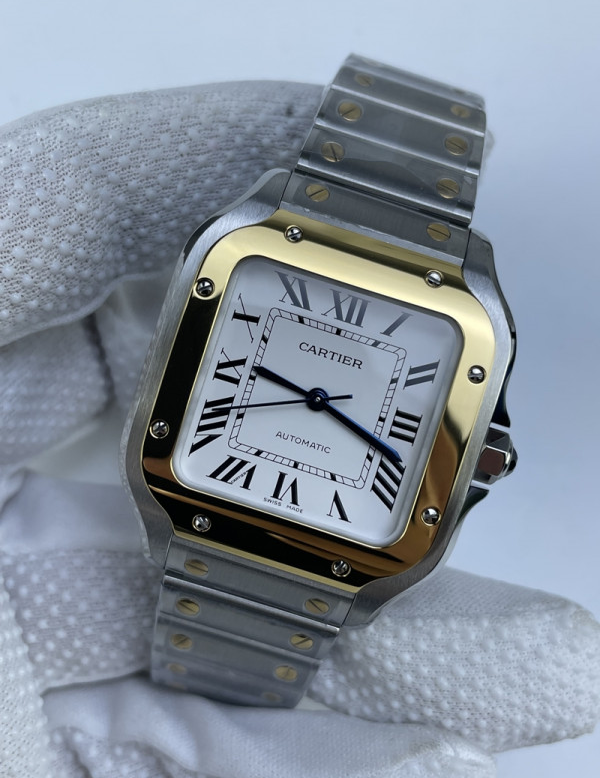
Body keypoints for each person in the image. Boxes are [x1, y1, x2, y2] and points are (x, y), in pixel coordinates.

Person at [1, 80, 599, 778]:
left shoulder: (471, 320)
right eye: (314, 394)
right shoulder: (250, 249)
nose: (316, 398)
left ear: (485, 458)